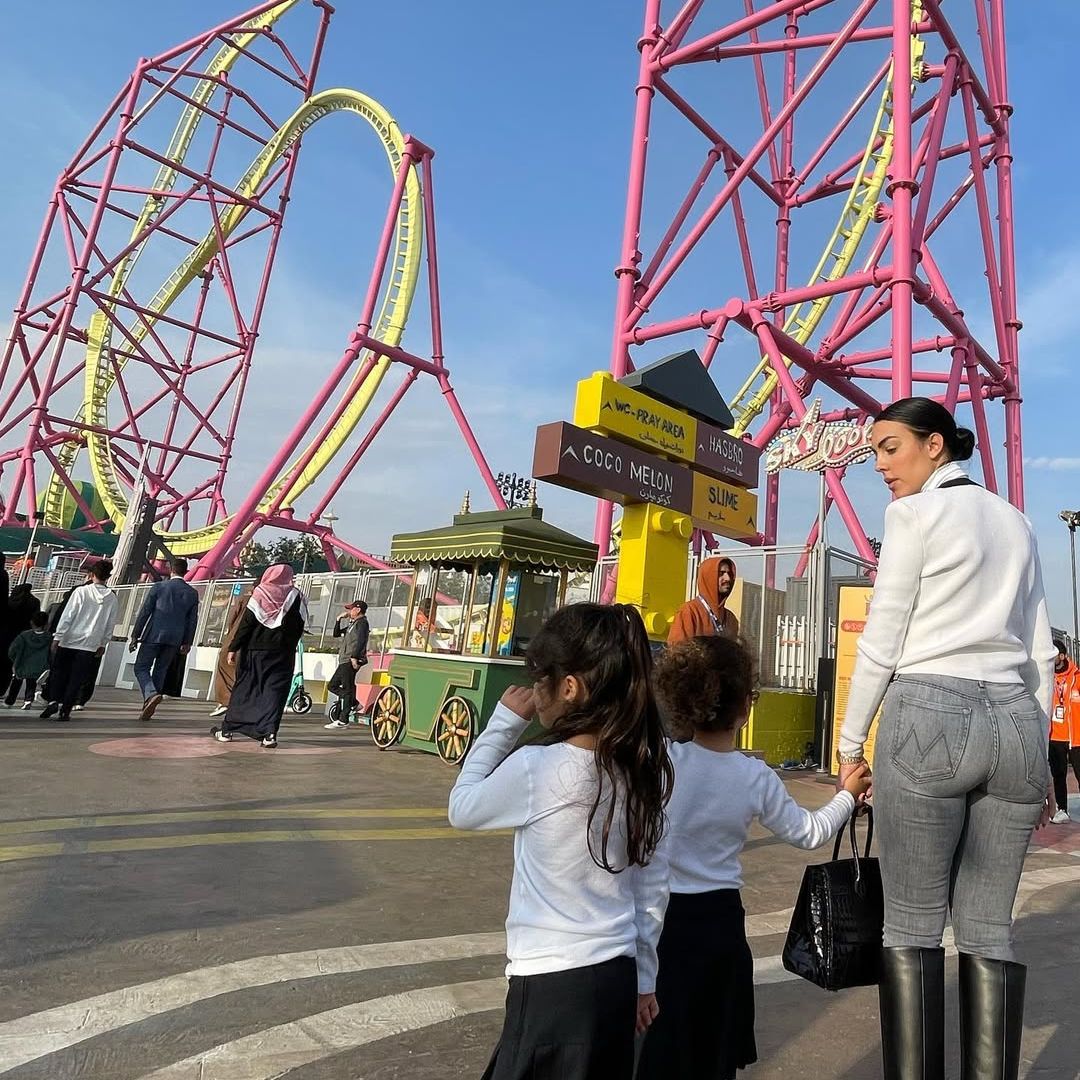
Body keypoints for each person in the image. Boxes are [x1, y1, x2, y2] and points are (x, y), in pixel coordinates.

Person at [836, 397, 1056, 1080]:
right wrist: (1040, 754)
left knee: (911, 924)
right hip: (1017, 716)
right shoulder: (1018, 522)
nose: (880, 465)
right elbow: (1041, 651)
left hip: (930, 707)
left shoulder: (914, 515)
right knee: (990, 929)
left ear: (936, 446)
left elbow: (885, 636)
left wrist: (849, 744)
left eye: (891, 447)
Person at [448, 603, 673, 1080]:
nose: (534, 692)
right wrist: (645, 980)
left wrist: (504, 724)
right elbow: (651, 887)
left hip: (550, 983)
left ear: (568, 687)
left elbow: (462, 808)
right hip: (616, 975)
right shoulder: (638, 770)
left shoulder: (539, 768)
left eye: (539, 680)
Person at [635, 635, 870, 1079]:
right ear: (746, 706)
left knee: (660, 1050)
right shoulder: (754, 777)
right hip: (721, 925)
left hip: (662, 922)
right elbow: (809, 832)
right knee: (714, 1053)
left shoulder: (662, 762)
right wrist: (846, 796)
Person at [210, 563, 307, 749]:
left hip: (255, 651)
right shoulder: (297, 596)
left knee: (246, 688)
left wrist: (233, 647)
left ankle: (228, 729)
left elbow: (247, 623)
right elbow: (299, 627)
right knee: (274, 692)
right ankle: (269, 734)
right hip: (283, 654)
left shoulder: (261, 593)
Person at [41, 560, 118, 721]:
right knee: (77, 677)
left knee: (59, 672)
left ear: (92, 574)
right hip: (91, 643)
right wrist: (103, 643)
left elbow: (68, 615)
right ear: (108, 577)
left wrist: (58, 636)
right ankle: (66, 709)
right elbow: (110, 623)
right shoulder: (112, 598)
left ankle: (54, 700)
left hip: (70, 639)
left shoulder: (81, 592)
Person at [128, 558, 199, 721]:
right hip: (175, 638)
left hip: (153, 634)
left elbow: (145, 612)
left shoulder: (159, 587)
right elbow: (192, 620)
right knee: (161, 669)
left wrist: (135, 634)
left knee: (141, 667)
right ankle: (150, 703)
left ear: (171, 570)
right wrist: (187, 641)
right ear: (186, 572)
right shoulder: (192, 593)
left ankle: (151, 694)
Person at [667, 556, 739, 644]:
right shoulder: (689, 611)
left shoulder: (731, 619)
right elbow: (676, 652)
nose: (727, 578)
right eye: (721, 573)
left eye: (730, 574)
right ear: (708, 577)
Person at [325, 599, 370, 729]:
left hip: (350, 660)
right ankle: (354, 703)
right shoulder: (353, 624)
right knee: (333, 685)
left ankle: (343, 719)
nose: (349, 611)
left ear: (358, 609)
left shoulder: (362, 623)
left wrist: (354, 657)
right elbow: (336, 634)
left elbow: (361, 641)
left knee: (347, 688)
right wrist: (339, 619)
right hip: (344, 659)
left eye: (351, 609)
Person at [1049, 638, 1080, 824]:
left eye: (1054, 654)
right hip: (1055, 736)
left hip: (1075, 736)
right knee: (1058, 775)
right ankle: (1062, 809)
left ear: (1062, 656)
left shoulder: (1076, 676)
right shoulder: (1047, 677)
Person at [209, 589, 251, 719]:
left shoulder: (245, 598)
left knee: (225, 666)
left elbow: (232, 619)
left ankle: (225, 701)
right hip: (259, 644)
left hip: (236, 638)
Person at [5, 611, 52, 708]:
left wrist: (15, 660)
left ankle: (10, 701)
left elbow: (12, 650)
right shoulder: (48, 637)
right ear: (46, 623)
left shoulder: (24, 636)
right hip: (39, 665)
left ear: (32, 622)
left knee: (16, 683)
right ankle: (28, 701)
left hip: (22, 663)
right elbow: (51, 652)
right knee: (32, 683)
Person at [0, 583, 42, 690]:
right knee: (12, 663)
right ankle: (3, 688)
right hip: (23, 637)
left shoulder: (10, 600)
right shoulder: (34, 602)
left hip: (5, 635)